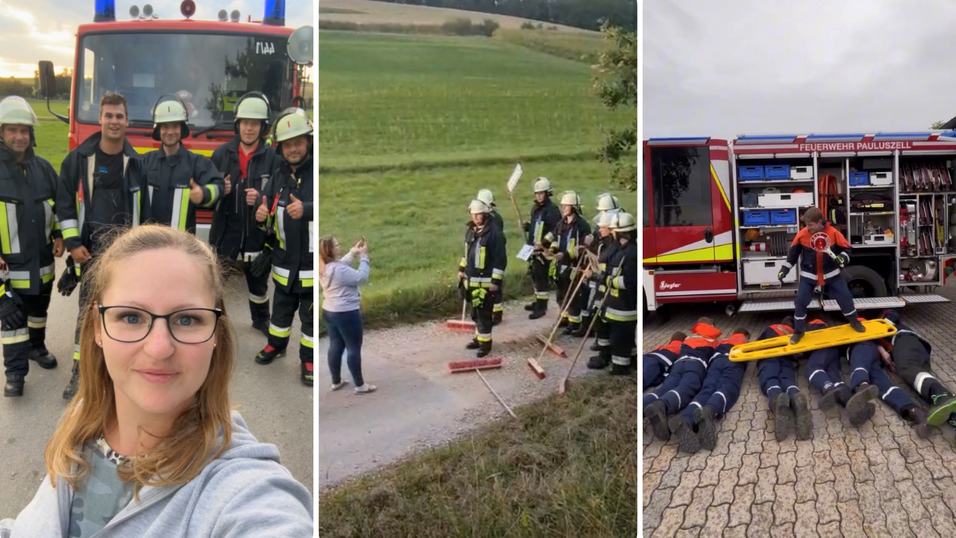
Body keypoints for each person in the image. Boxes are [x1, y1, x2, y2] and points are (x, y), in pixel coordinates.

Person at [0, 225, 313, 536]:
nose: (160, 348)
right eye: (132, 317)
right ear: (97, 327)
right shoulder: (84, 419)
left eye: (188, 319)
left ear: (216, 331)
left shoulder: (246, 491)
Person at [57, 92, 151, 400]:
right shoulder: (79, 159)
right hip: (90, 253)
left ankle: (116, 373)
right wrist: (72, 244)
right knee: (88, 316)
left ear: (127, 121)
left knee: (124, 314)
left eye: (119, 116)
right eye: (108, 115)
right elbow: (64, 204)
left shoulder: (136, 163)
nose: (114, 121)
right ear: (100, 119)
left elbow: (146, 213)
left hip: (127, 257)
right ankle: (79, 374)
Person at [0, 97, 65, 396]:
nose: (19, 137)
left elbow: (58, 206)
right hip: (8, 269)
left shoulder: (43, 169)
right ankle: (15, 374)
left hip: (42, 264)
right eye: (12, 130)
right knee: (13, 319)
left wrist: (59, 235)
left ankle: (36, 348)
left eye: (24, 130)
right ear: (1, 133)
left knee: (39, 310)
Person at [209, 92, 281, 338]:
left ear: (263, 127)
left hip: (256, 234)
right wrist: (221, 191)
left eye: (255, 123)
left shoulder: (273, 158)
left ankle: (261, 320)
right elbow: (208, 192)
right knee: (216, 282)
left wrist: (261, 197)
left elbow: (281, 193)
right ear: (237, 125)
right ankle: (212, 322)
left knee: (258, 283)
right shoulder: (220, 154)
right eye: (245, 123)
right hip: (226, 230)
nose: (249, 128)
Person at [254, 108, 314, 386]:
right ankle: (276, 346)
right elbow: (265, 209)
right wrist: (260, 216)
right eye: (288, 144)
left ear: (308, 142)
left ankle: (308, 359)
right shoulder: (277, 176)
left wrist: (308, 209)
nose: (293, 149)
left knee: (310, 318)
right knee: (280, 312)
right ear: (280, 148)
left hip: (311, 267)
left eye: (298, 142)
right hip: (283, 263)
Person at [778, 207, 863, 344]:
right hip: (809, 275)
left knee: (845, 297)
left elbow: (847, 249)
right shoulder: (802, 234)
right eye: (806, 225)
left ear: (819, 222)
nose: (808, 228)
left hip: (832, 274)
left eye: (810, 225)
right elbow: (793, 254)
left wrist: (843, 257)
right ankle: (798, 331)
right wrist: (784, 269)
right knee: (800, 302)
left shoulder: (833, 233)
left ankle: (854, 321)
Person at [142, 94, 224, 234]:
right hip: (151, 244)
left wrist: (203, 194)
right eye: (165, 127)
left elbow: (219, 186)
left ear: (182, 129)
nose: (170, 132)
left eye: (175, 126)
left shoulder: (197, 162)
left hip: (182, 247)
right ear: (158, 130)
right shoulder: (144, 162)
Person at [846, 318, 929, 438]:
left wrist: (883, 352)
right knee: (883, 384)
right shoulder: (861, 326)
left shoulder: (859, 323)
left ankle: (861, 387)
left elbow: (871, 338)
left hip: (863, 347)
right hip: (874, 356)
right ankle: (913, 410)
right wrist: (884, 354)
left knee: (859, 366)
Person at [670, 328, 750, 453]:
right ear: (746, 336)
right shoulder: (745, 342)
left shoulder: (723, 341)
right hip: (734, 360)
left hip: (715, 362)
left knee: (706, 390)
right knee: (728, 387)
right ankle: (710, 410)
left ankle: (686, 420)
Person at [643, 317, 722, 441]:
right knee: (686, 388)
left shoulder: (689, 338)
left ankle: (643, 407)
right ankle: (663, 406)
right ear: (711, 326)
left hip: (678, 364)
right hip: (695, 364)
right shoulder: (713, 340)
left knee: (665, 388)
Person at [878, 310, 956, 429]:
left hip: (904, 340)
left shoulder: (880, 315)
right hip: (916, 349)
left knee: (907, 368)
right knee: (920, 386)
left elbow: (894, 314)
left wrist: (881, 325)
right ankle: (953, 417)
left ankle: (942, 395)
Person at [318, 236, 375, 394]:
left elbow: (340, 265)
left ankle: (336, 381)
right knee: (353, 347)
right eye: (336, 245)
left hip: (329, 311)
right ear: (330, 250)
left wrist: (353, 252)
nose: (339, 246)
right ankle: (360, 385)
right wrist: (364, 257)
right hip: (347, 313)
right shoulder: (339, 270)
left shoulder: (323, 267)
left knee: (336, 345)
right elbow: (361, 277)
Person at [585, 212, 637, 373]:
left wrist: (605, 280)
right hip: (614, 305)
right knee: (617, 339)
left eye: (613, 230)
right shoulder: (619, 250)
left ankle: (621, 370)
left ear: (620, 232)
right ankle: (623, 363)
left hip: (624, 308)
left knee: (621, 342)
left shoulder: (631, 254)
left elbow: (627, 282)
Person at [804, 318, 878, 427]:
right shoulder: (829, 329)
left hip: (822, 347)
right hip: (834, 351)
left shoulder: (811, 327)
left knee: (813, 368)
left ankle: (827, 387)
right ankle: (859, 409)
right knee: (835, 378)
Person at [460, 199, 506, 357]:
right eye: (473, 214)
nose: (475, 217)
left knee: (485, 314)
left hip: (486, 283)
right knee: (475, 313)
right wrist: (461, 269)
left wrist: (495, 281)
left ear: (485, 214)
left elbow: (500, 260)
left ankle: (485, 345)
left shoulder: (495, 233)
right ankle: (478, 338)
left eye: (478, 214)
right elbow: (466, 253)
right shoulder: (471, 231)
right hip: (472, 280)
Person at [755, 317, 812, 441]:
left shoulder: (771, 328)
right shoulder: (793, 335)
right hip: (786, 360)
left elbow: (756, 344)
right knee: (788, 381)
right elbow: (800, 353)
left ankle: (777, 400)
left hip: (769, 355)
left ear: (782, 323)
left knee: (770, 378)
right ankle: (796, 396)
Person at [545, 191, 591, 335]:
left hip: (574, 266)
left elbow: (583, 247)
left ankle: (574, 322)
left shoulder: (582, 225)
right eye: (563, 205)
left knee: (573, 294)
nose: (563, 208)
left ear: (574, 207)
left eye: (566, 206)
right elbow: (556, 238)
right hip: (561, 264)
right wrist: (552, 249)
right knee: (562, 292)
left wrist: (564, 255)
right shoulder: (562, 222)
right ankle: (564, 317)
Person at [523, 177, 560, 320]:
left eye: (541, 193)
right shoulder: (536, 209)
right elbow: (535, 226)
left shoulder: (552, 210)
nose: (538, 196)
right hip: (533, 248)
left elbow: (556, 230)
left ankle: (542, 307)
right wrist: (527, 226)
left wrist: (544, 243)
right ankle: (538, 301)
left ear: (547, 193)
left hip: (545, 250)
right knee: (534, 275)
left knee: (541, 276)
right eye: (536, 193)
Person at [586, 210, 619, 361]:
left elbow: (607, 274)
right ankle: (602, 347)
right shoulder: (603, 244)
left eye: (602, 227)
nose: (599, 230)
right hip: (601, 289)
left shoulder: (613, 249)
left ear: (611, 229)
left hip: (609, 292)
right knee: (597, 316)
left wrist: (593, 275)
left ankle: (606, 353)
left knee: (605, 321)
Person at [476, 188, 505, 325]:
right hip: (484, 257)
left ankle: (497, 314)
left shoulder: (495, 220)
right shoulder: (488, 218)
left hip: (493, 257)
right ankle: (490, 311)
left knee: (495, 285)